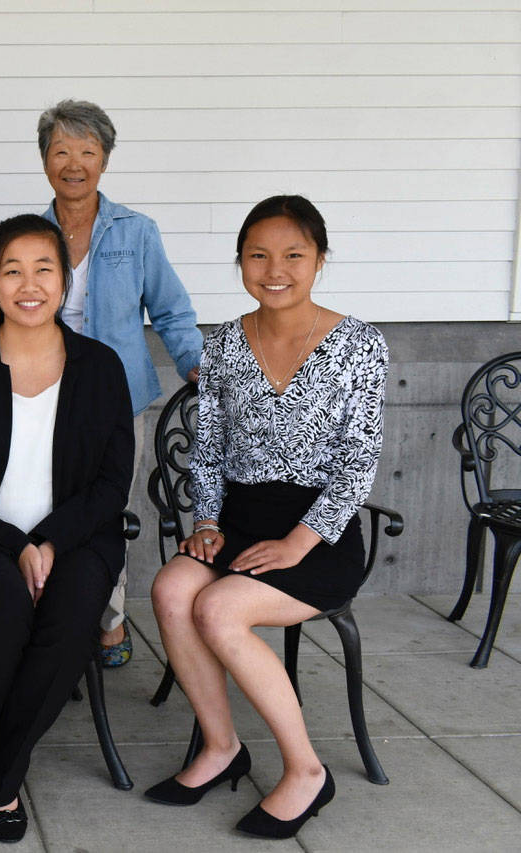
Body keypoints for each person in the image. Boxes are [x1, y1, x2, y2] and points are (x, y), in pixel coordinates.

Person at [146, 195, 388, 839]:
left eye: (293, 255)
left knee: (219, 609)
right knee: (172, 589)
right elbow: (209, 448)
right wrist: (205, 521)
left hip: (318, 534)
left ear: (319, 260)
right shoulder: (225, 342)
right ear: (241, 263)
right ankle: (221, 748)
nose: (273, 269)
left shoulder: (359, 343)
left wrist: (298, 542)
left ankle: (307, 771)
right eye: (258, 255)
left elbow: (358, 463)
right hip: (240, 523)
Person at [0, 215, 134, 850]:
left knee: (72, 618)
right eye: (12, 270)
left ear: (65, 280)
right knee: (5, 608)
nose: (29, 284)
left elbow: (109, 483)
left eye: (44, 268)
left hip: (73, 540)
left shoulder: (99, 368)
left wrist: (45, 542)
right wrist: (14, 543)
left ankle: (1, 774)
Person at [37, 99, 203, 668]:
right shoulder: (31, 235)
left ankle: (108, 619)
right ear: (44, 161)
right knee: (45, 506)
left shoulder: (136, 231)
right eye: (61, 150)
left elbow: (173, 313)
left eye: (87, 151)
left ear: (104, 159)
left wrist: (195, 365)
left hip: (118, 398)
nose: (74, 162)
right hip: (41, 394)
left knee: (106, 511)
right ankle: (52, 610)